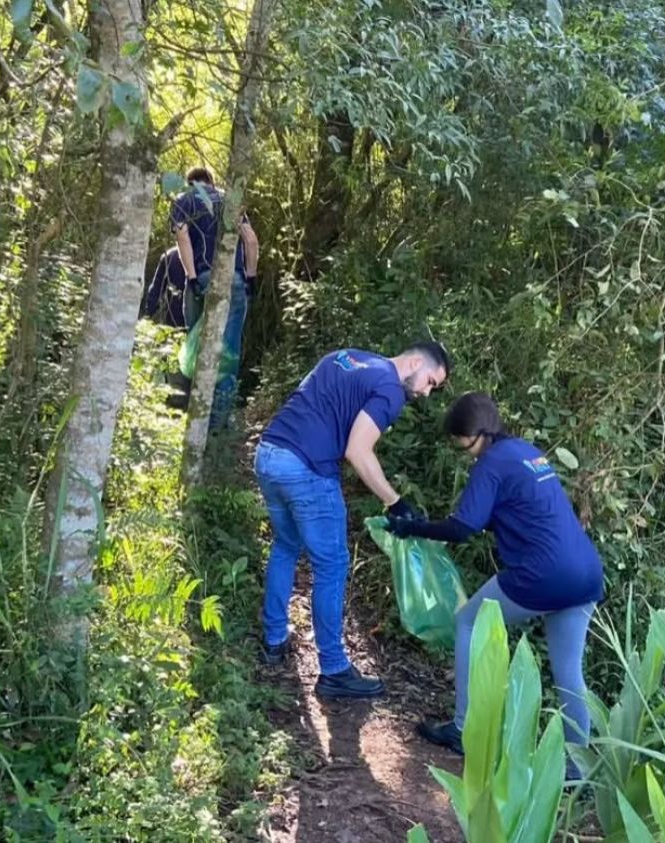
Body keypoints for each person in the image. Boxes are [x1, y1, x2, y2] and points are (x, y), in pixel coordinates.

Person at [385, 392, 603, 777]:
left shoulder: (490, 464)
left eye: (458, 440)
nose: (458, 448)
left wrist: (414, 527)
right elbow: (512, 510)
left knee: (469, 620)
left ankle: (463, 728)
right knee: (568, 670)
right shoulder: (525, 451)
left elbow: (462, 527)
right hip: (585, 572)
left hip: (543, 574)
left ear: (474, 434)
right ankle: (578, 767)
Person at [257, 342, 452, 699]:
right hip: (307, 469)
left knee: (286, 545)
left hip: (270, 454)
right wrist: (394, 501)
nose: (425, 393)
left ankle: (274, 641)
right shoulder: (390, 388)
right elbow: (357, 450)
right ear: (413, 362)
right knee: (332, 565)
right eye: (430, 382)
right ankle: (333, 669)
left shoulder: (346, 357)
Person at [140, 166, 259, 417]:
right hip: (236, 281)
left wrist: (192, 278)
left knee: (197, 347)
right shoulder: (230, 200)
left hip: (202, 278)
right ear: (211, 182)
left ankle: (193, 409)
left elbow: (182, 237)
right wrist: (251, 276)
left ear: (190, 182)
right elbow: (250, 240)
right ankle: (219, 423)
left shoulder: (184, 199)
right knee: (229, 351)